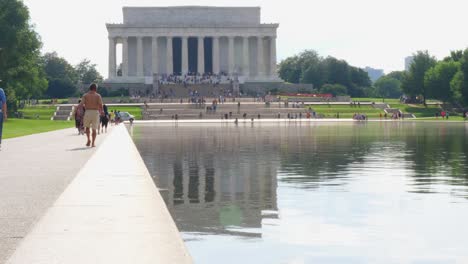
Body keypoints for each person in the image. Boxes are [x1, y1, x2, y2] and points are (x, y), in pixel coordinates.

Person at [81, 83, 103, 147]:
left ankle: (88, 140)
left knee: (87, 127)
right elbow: (100, 105)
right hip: (95, 112)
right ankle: (93, 143)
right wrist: (102, 111)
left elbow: (81, 104)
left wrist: (77, 109)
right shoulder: (98, 96)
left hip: (87, 112)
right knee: (94, 129)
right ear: (95, 89)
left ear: (90, 88)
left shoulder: (85, 95)